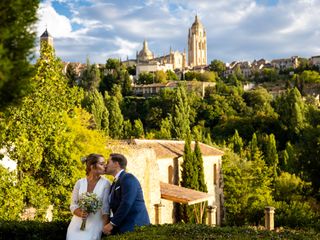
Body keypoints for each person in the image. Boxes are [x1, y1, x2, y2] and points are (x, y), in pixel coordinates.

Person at [103, 153, 150, 235]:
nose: (105, 165)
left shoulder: (128, 178)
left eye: (108, 162)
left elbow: (126, 203)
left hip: (135, 227)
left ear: (116, 164)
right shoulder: (114, 182)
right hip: (123, 227)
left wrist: (112, 224)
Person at [66, 153, 111, 240]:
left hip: (96, 224)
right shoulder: (79, 183)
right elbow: (73, 205)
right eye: (101, 164)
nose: (105, 166)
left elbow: (106, 208)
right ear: (92, 166)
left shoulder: (106, 183)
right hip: (76, 224)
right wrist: (80, 213)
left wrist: (106, 227)